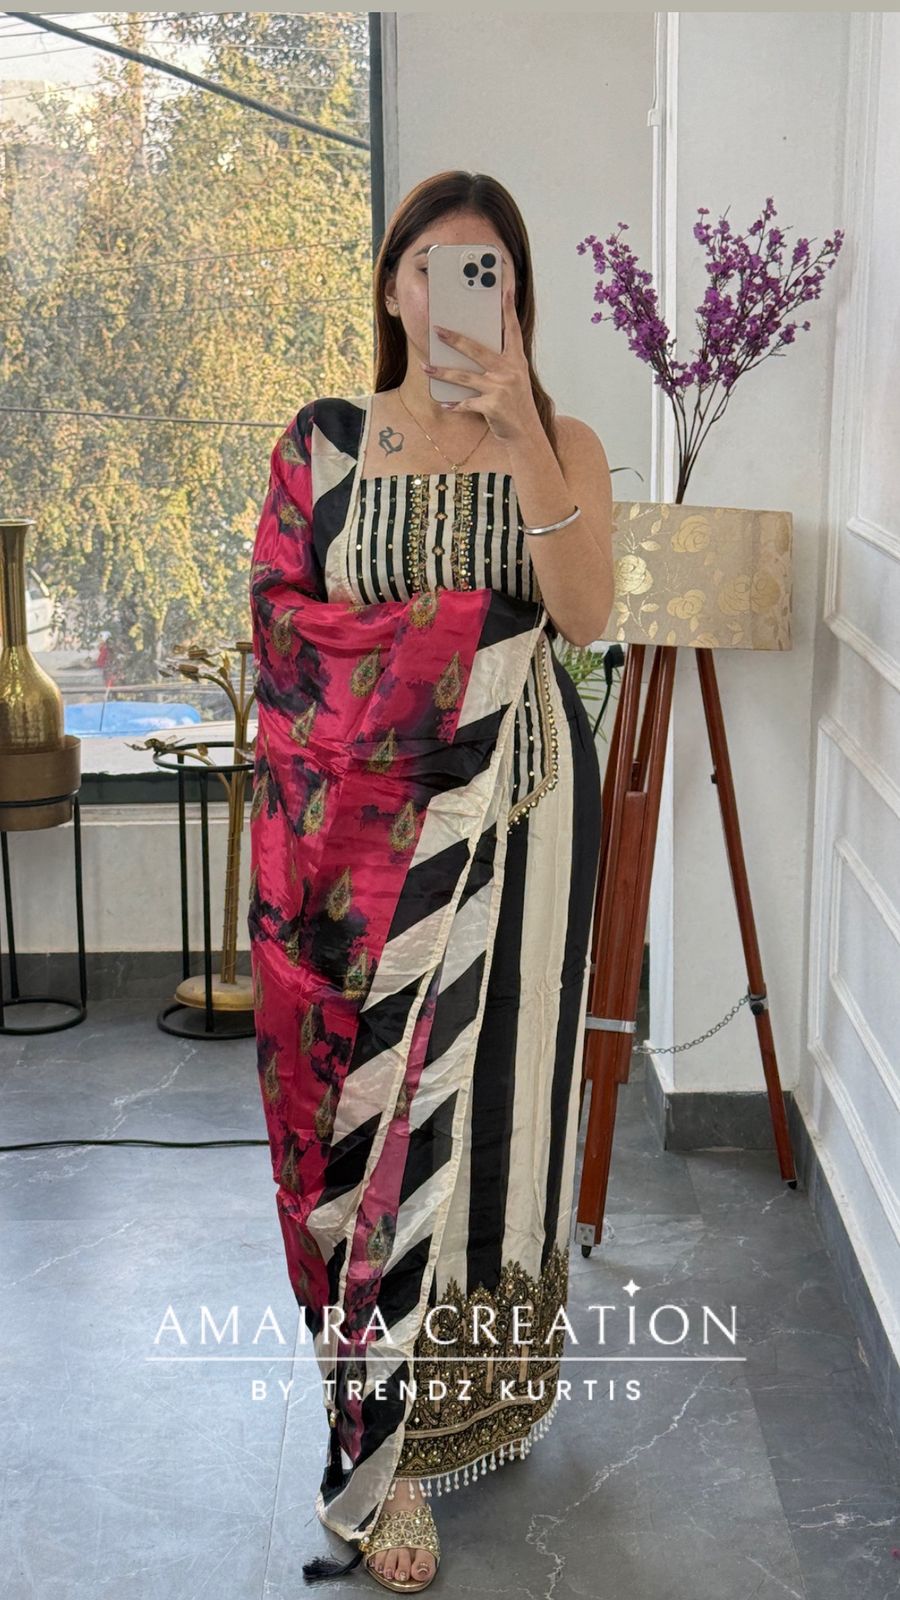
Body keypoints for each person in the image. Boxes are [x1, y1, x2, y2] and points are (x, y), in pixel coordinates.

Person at [248, 169, 613, 1592]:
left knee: (501, 1106)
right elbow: (285, 635)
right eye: (437, 269)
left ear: (517, 299)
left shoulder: (562, 442)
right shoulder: (327, 447)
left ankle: (478, 1399)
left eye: (490, 273)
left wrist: (520, 435)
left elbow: (584, 618)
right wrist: (442, 654)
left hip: (524, 820)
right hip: (356, 857)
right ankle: (384, 1454)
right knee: (374, 1125)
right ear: (395, 287)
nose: (463, 294)